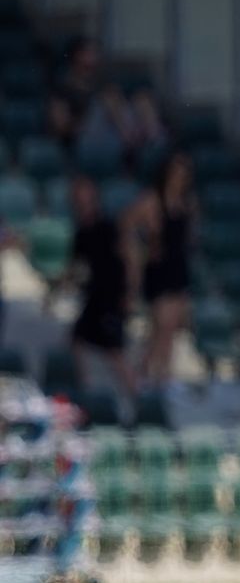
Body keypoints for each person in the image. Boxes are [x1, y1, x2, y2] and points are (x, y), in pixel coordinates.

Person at [56, 177, 138, 418]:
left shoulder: (108, 226)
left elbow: (130, 258)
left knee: (116, 354)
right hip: (94, 298)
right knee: (75, 342)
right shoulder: (82, 231)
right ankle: (86, 398)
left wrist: (130, 293)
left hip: (112, 298)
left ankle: (139, 403)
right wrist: (55, 290)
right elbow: (74, 267)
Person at [130, 151, 196, 385]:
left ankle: (162, 375)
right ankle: (147, 374)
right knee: (162, 326)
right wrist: (144, 247)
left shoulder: (186, 203)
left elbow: (186, 238)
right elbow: (127, 226)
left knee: (171, 330)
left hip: (178, 267)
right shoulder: (152, 201)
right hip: (158, 268)